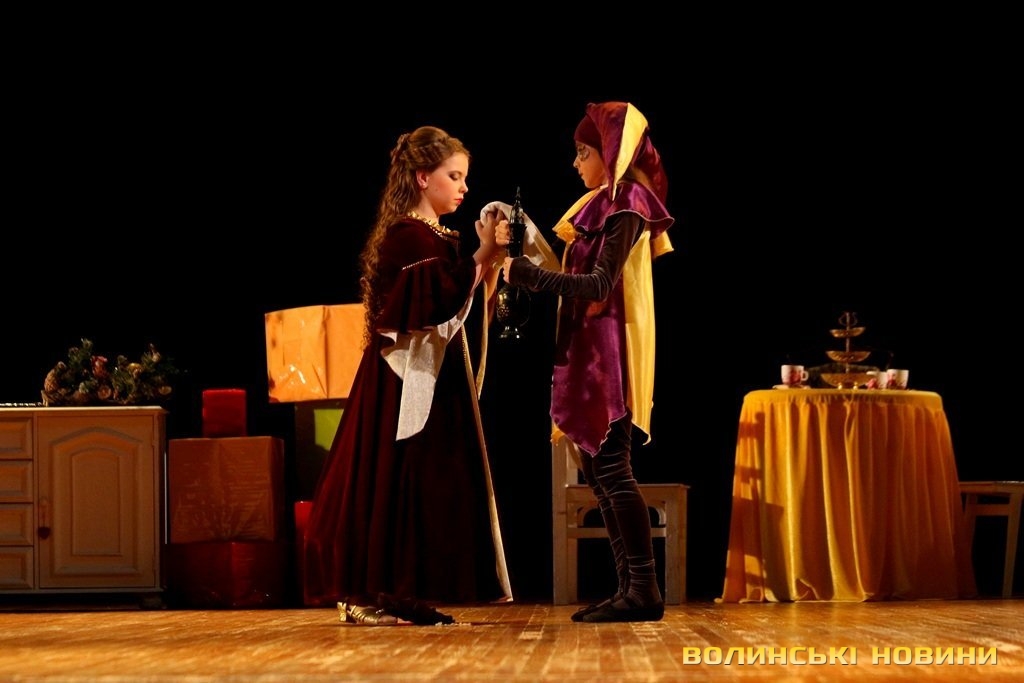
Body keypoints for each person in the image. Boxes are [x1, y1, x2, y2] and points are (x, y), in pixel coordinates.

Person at [304, 125, 513, 625]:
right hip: (402, 380)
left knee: (420, 482)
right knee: (392, 477)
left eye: (465, 177)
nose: (463, 187)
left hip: (431, 372)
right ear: (422, 177)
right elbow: (435, 300)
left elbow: (459, 302)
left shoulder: (436, 236)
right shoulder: (408, 236)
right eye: (453, 176)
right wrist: (482, 253)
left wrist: (490, 258)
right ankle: (368, 591)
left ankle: (402, 588)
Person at [502, 102, 675, 622]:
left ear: (610, 153)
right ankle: (630, 587)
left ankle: (643, 588)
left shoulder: (628, 204)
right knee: (599, 471)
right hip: (590, 346)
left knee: (613, 468)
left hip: (611, 352)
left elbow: (600, 285)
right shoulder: (599, 203)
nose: (575, 163)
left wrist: (530, 276)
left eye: (583, 152)